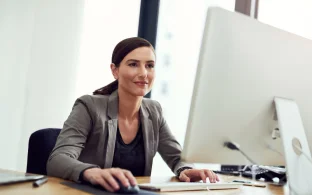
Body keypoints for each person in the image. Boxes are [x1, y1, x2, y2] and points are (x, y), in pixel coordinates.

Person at [47, 37, 219, 192]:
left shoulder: (154, 111)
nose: (144, 73)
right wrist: (92, 172)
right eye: (133, 64)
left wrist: (186, 170)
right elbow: (58, 159)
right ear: (115, 71)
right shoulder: (89, 106)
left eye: (149, 65)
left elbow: (176, 157)